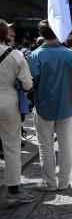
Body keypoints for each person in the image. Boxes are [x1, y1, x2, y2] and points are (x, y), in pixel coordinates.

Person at [28, 20, 72, 192]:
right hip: (66, 106)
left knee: (45, 146)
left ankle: (49, 182)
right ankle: (64, 182)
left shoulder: (35, 55)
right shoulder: (70, 54)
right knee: (65, 146)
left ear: (41, 34)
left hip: (43, 106)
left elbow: (31, 82)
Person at [0, 19, 34, 204]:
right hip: (9, 101)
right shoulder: (16, 55)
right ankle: (13, 189)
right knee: (12, 147)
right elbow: (27, 84)